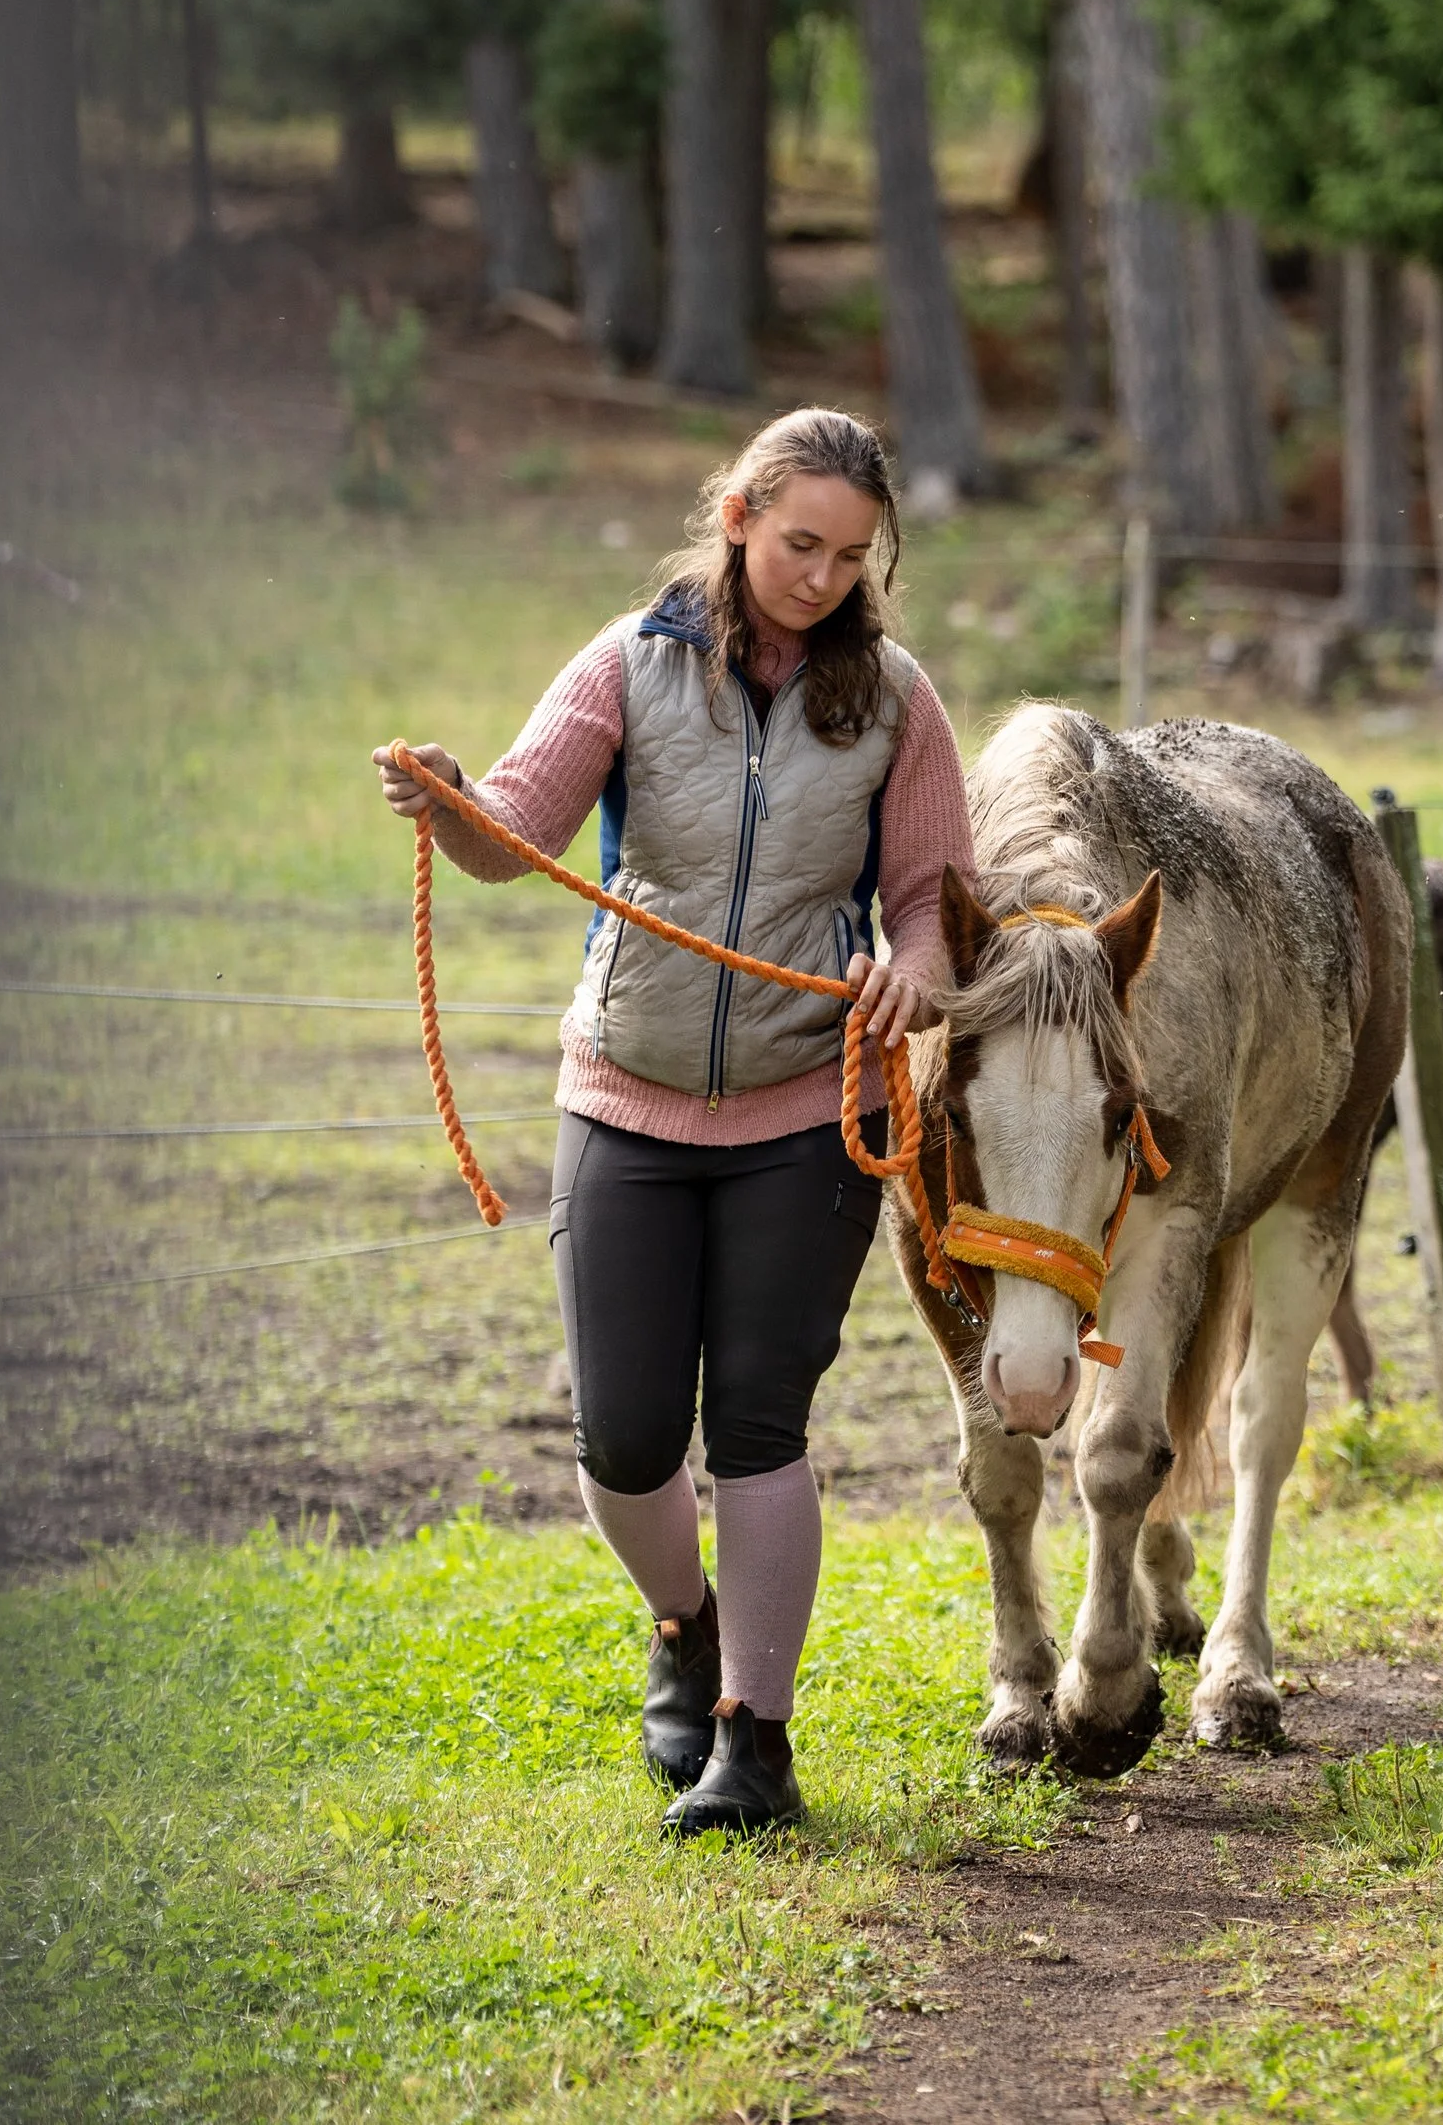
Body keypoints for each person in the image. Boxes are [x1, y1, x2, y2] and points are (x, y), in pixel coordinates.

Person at [373, 407, 972, 1837]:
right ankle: (684, 1625)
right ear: (740, 518)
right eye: (797, 542)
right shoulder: (631, 663)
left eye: (849, 552)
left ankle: (754, 1740)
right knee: (628, 1439)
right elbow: (514, 830)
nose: (819, 576)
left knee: (761, 1422)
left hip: (805, 1111)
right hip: (626, 1100)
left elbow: (934, 900)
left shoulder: (893, 699)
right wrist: (448, 802)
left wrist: (916, 973)